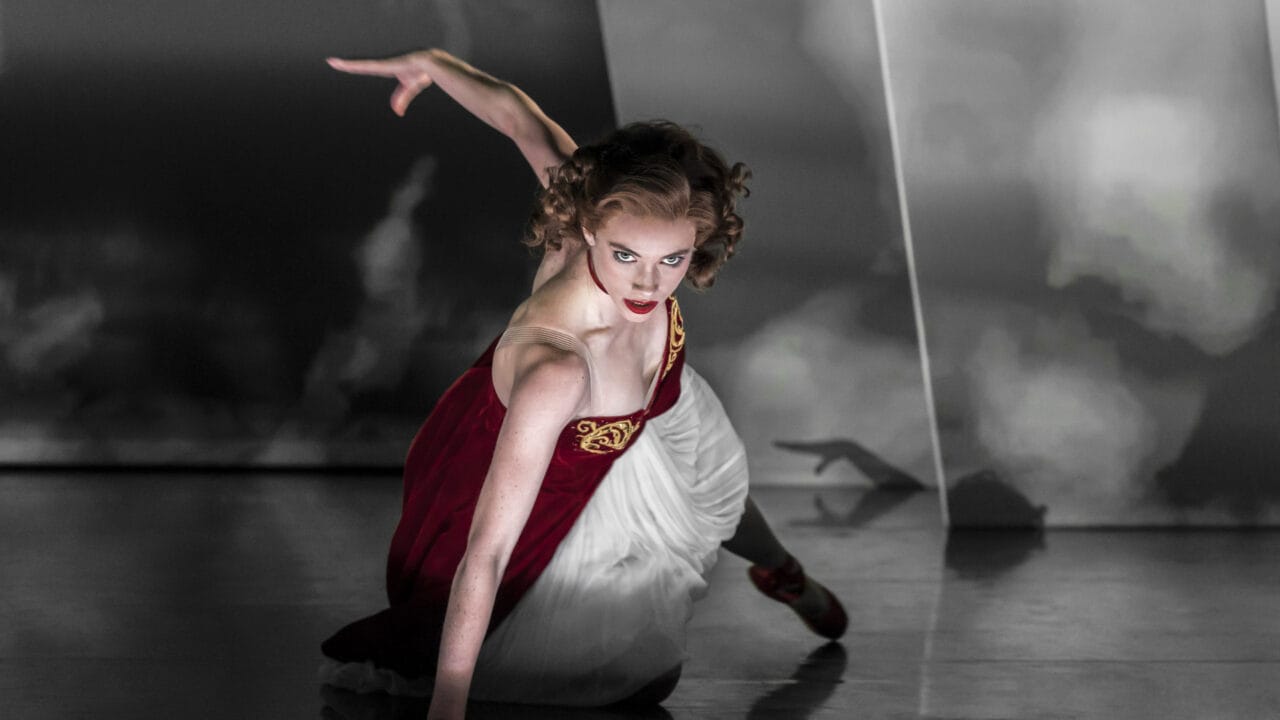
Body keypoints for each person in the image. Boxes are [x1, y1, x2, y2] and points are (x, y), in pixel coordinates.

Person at [318, 48, 847, 719]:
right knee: (638, 680)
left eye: (673, 259)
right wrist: (447, 709)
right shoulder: (557, 367)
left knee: (701, 473)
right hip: (560, 472)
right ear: (590, 226)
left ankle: (782, 572)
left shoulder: (611, 216)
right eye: (626, 256)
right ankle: (783, 572)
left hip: (654, 397)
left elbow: (520, 117)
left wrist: (436, 65)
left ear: (698, 240)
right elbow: (487, 552)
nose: (648, 285)